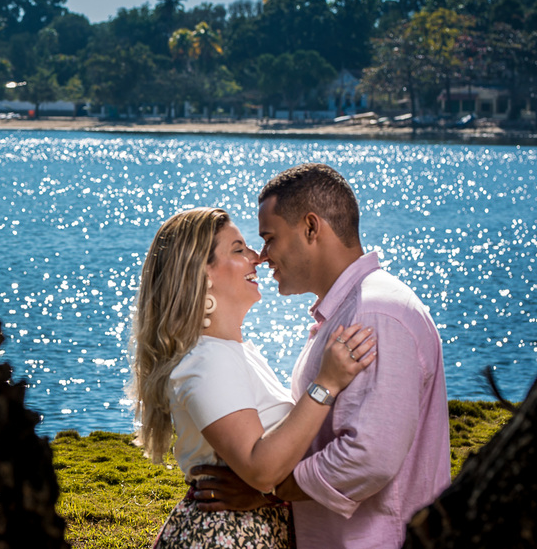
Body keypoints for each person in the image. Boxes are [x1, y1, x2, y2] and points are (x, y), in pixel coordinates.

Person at [192, 163, 451, 548]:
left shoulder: (374, 314)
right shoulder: (353, 311)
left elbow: (367, 458)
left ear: (311, 228)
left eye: (269, 238)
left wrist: (269, 487)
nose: (263, 256)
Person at [131, 207, 376, 549]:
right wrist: (326, 384)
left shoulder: (232, 353)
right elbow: (261, 469)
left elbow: (267, 470)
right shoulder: (207, 360)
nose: (257, 257)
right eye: (238, 250)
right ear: (201, 273)